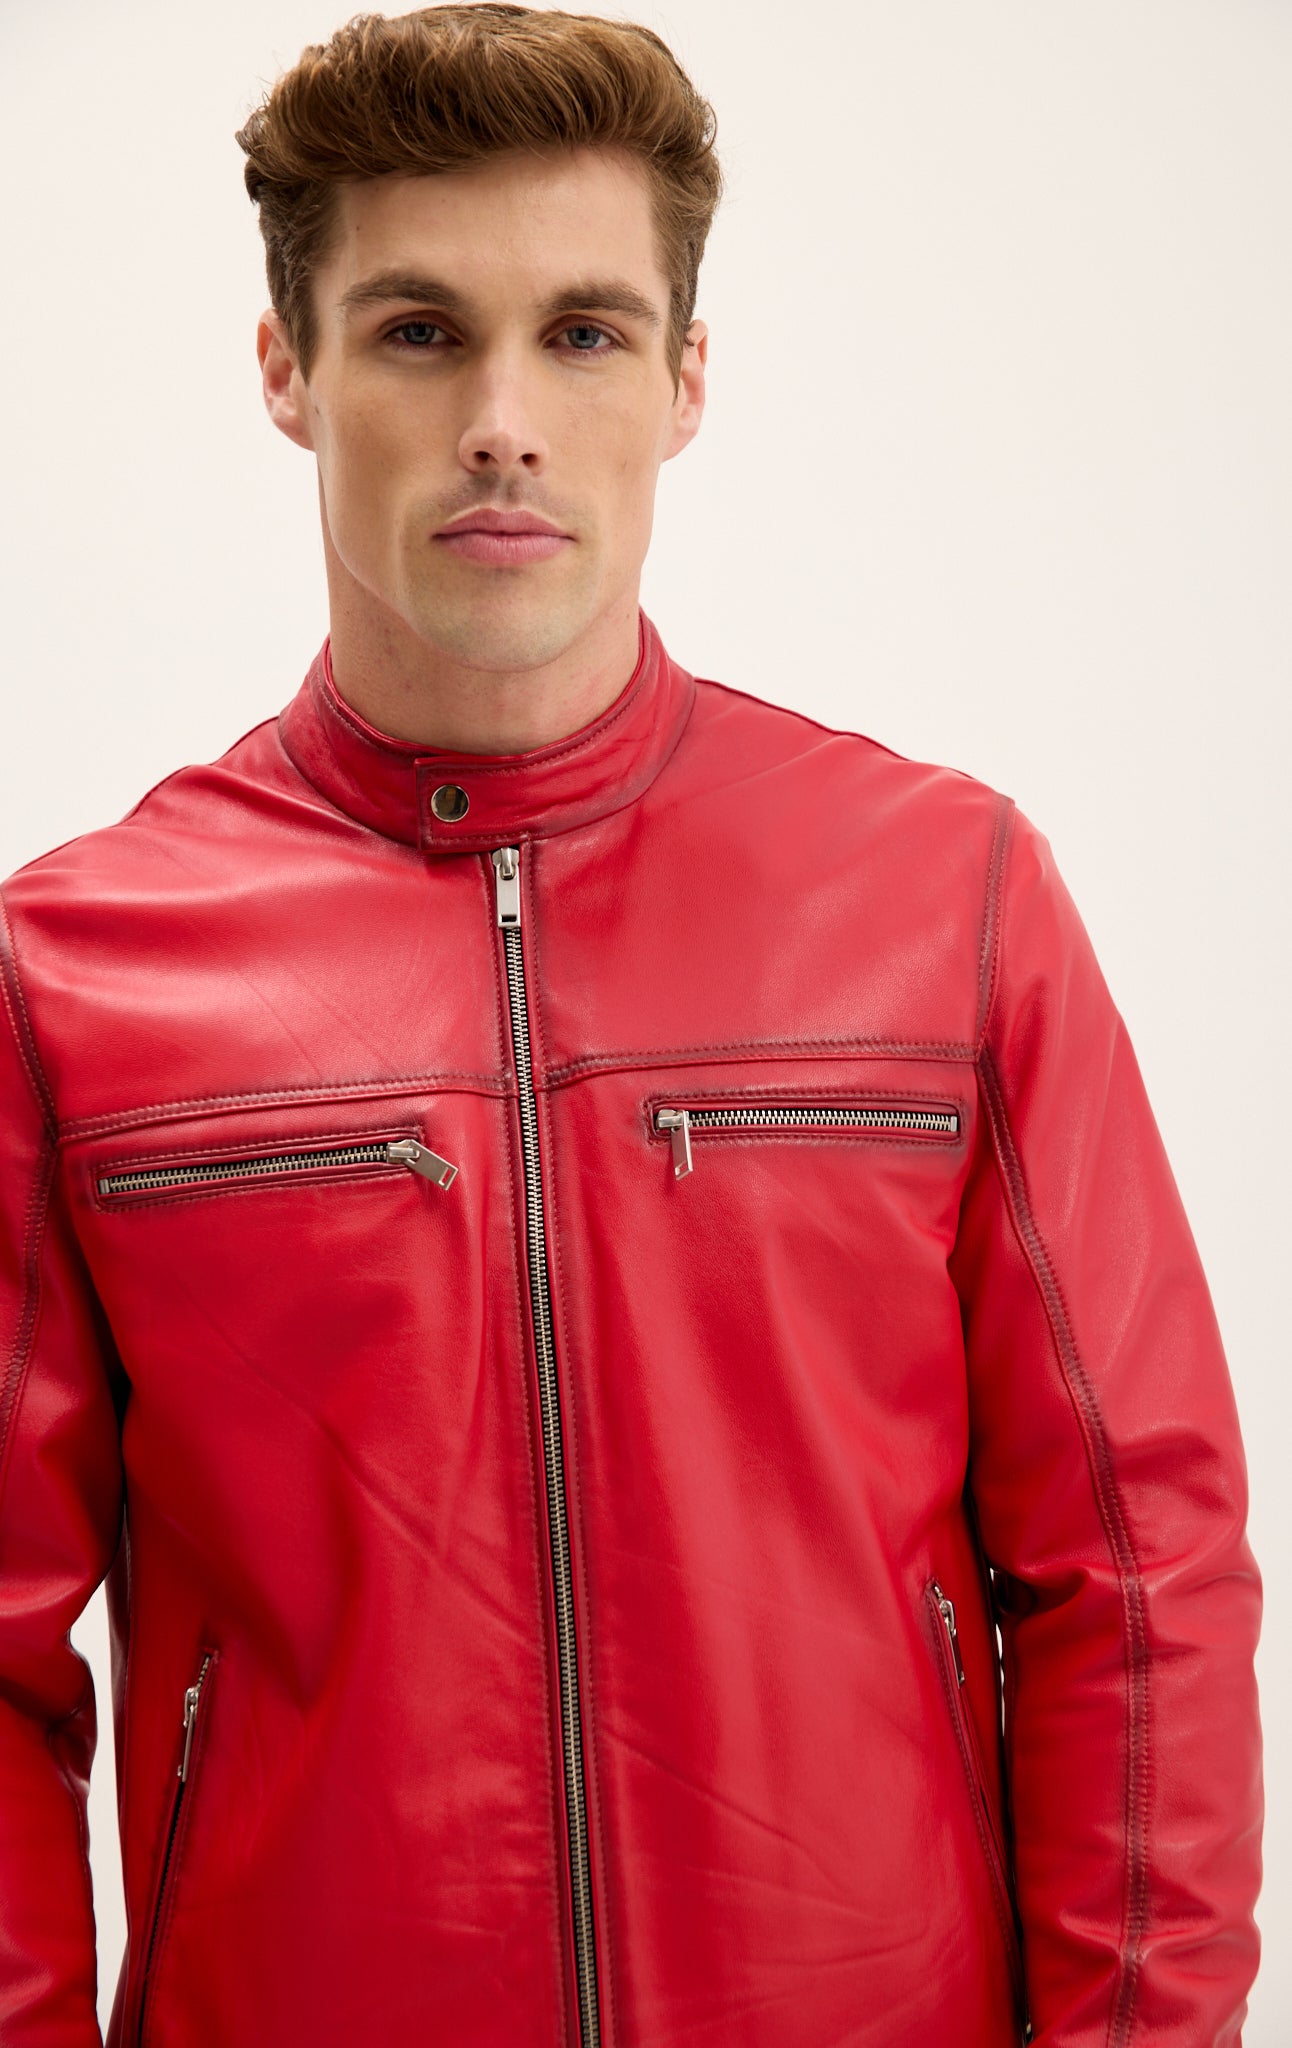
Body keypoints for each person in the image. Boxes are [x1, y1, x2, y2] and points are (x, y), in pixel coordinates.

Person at [0, 6, 1262, 2044]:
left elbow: (1141, 1570)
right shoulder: (76, 972)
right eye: (420, 331)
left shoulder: (944, 901)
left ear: (683, 382)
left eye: (582, 332)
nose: (503, 419)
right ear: (288, 371)